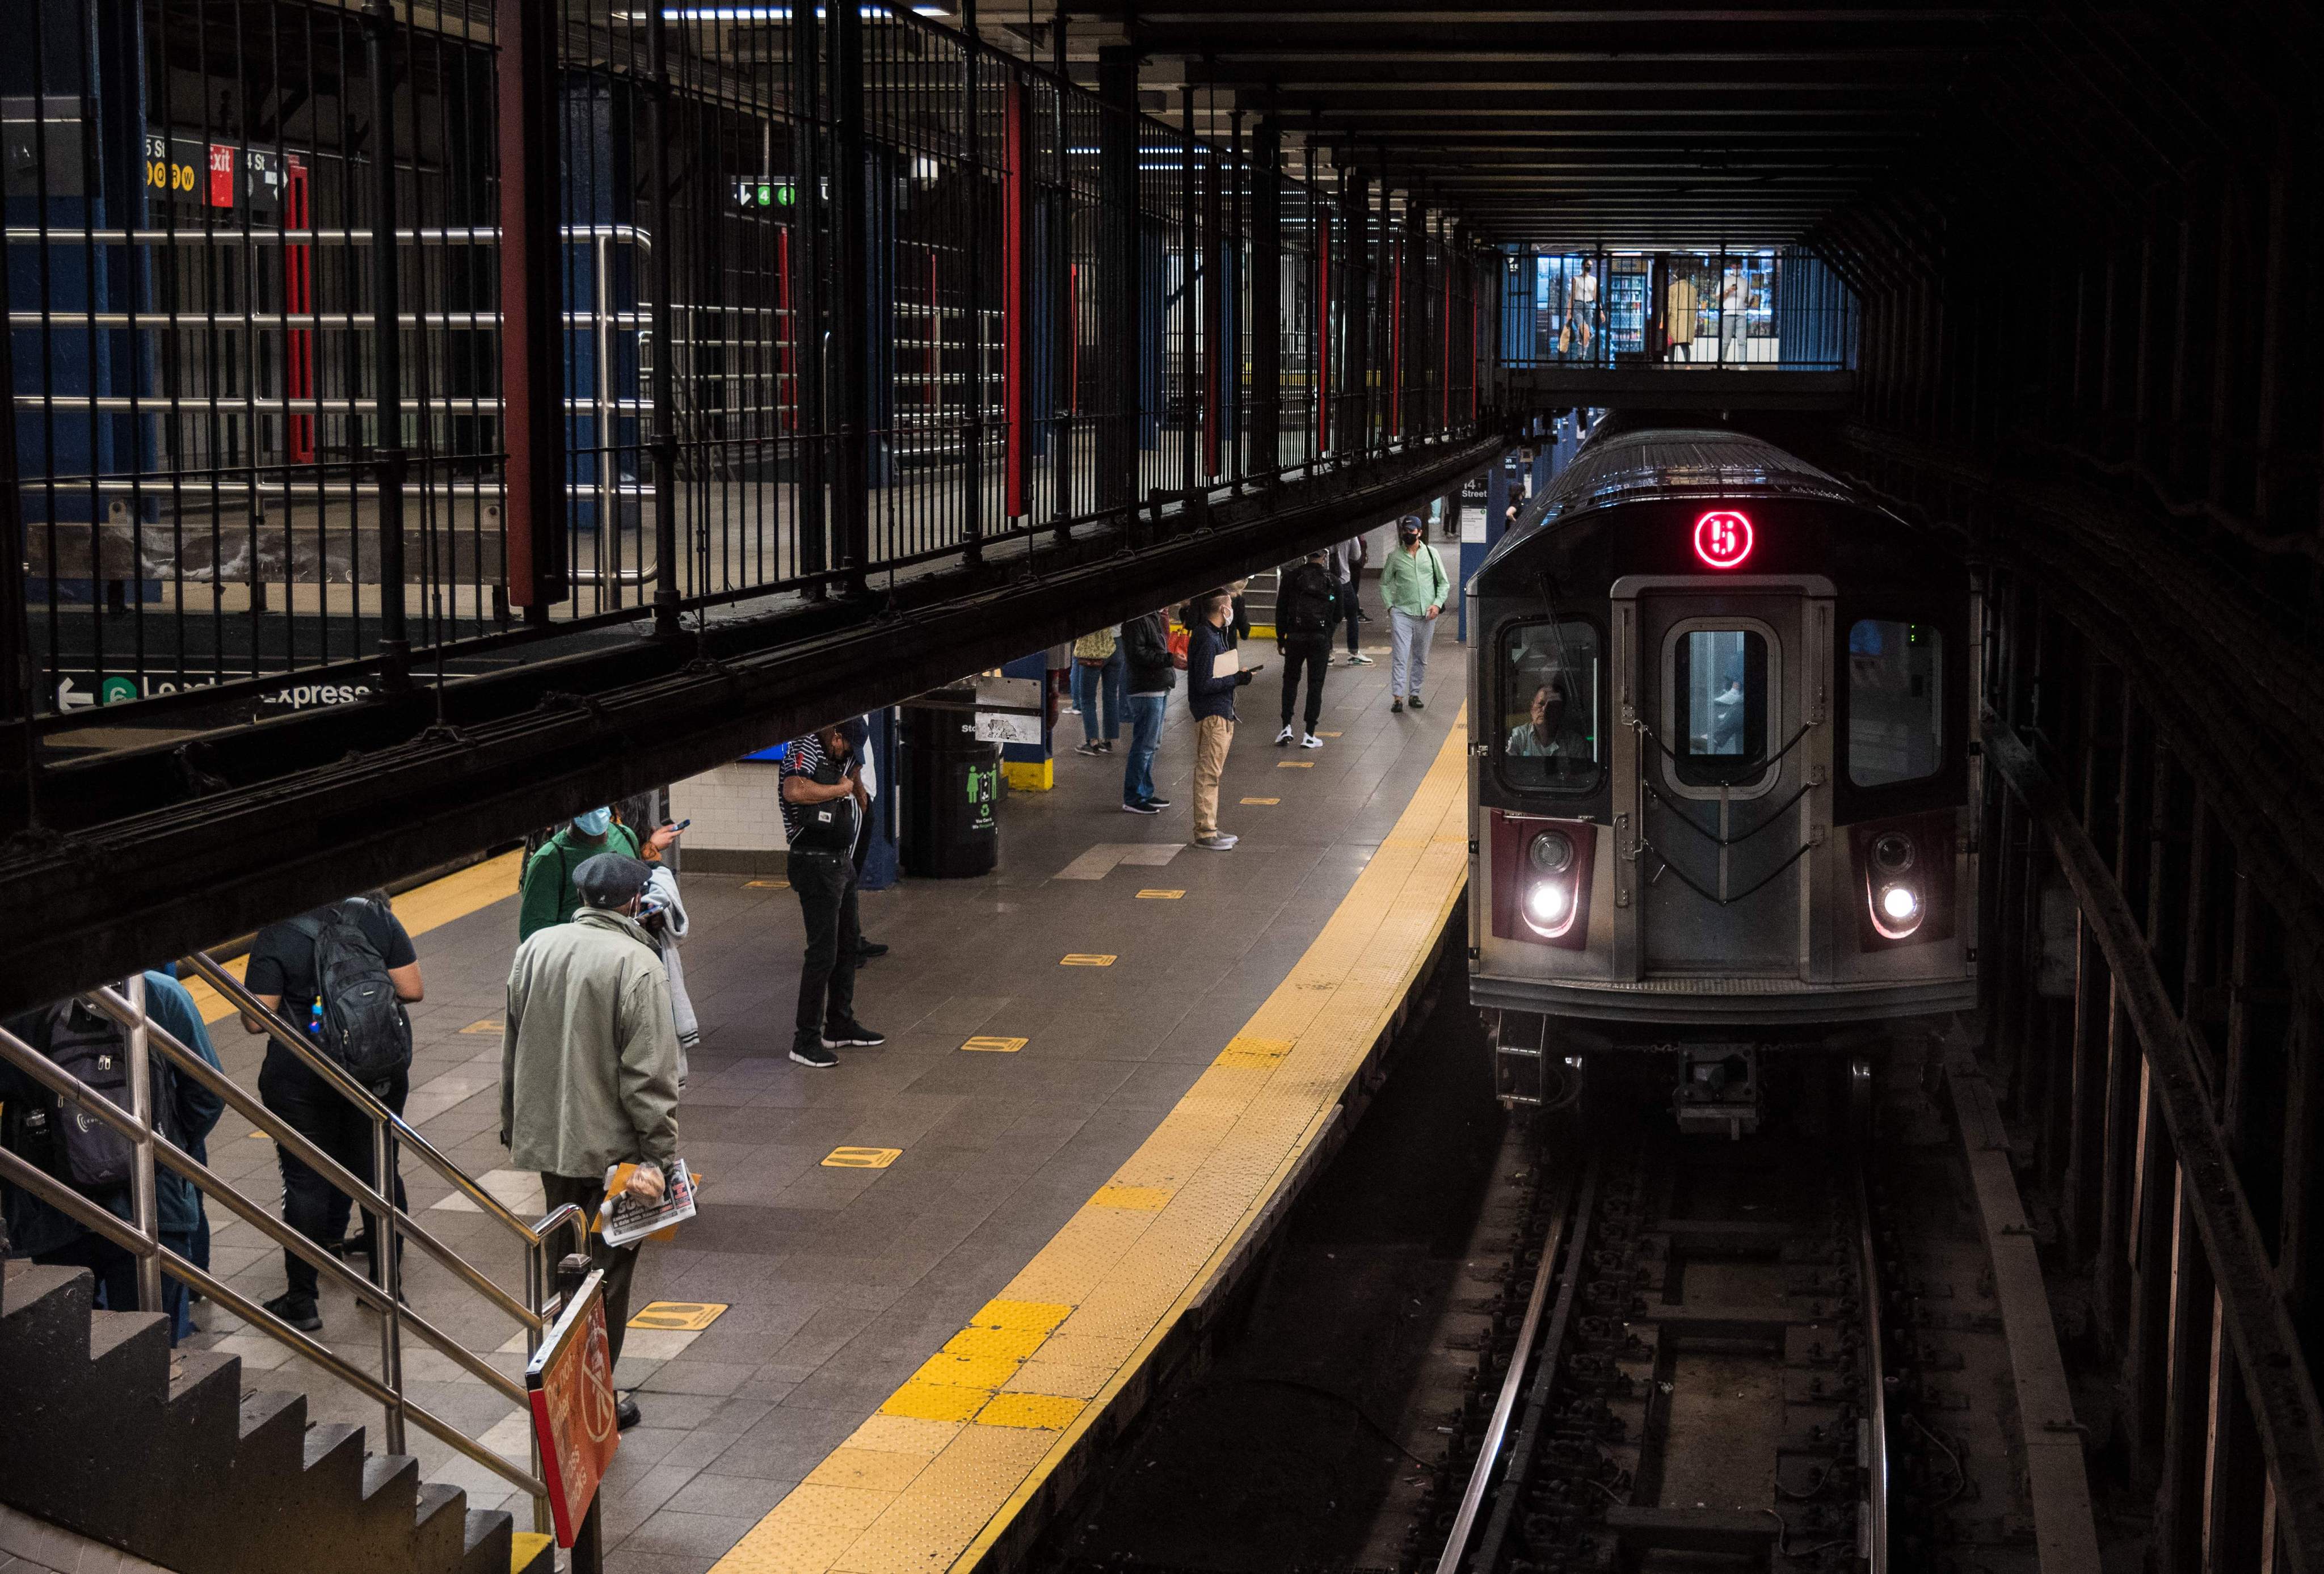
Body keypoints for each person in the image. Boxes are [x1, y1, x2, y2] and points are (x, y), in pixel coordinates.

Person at [500, 853, 680, 1433]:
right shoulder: (638, 963)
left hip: (551, 1140)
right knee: (608, 1274)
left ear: (581, 896)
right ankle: (594, 1393)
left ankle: (561, 1382)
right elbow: (649, 1077)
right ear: (634, 901)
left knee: (564, 1265)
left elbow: (513, 1041)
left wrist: (513, 1121)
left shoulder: (536, 948)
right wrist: (660, 1158)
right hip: (615, 1155)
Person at [0, 972, 224, 1341]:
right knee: (150, 1346)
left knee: (69, 1346)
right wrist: (161, 1147)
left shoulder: (26, 1002)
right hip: (153, 1207)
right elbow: (209, 1095)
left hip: (57, 1208)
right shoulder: (163, 995)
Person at [242, 891, 422, 1332]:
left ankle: (302, 1300)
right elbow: (411, 989)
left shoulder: (277, 931)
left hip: (304, 1076)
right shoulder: (373, 915)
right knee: (379, 1172)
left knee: (306, 1180)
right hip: (375, 1069)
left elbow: (256, 1019)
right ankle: (386, 1287)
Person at [780, 725, 887, 1068]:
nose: (849, 759)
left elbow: (853, 772)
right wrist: (841, 789)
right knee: (822, 953)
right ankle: (805, 1040)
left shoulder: (840, 753)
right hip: (814, 863)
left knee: (848, 945)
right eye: (848, 748)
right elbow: (794, 790)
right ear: (836, 736)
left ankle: (840, 1024)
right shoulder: (805, 747)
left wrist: (859, 791)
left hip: (841, 861)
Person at [519, 808, 679, 943]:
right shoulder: (549, 860)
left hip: (625, 952)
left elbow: (637, 895)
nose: (595, 809)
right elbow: (534, 938)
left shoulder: (626, 837)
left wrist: (652, 918)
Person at [1186, 589, 1258, 852]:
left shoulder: (1215, 634)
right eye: (1231, 605)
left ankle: (1211, 826)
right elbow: (1205, 683)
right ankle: (1205, 832)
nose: (1233, 611)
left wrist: (1236, 676)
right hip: (1212, 714)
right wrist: (1236, 679)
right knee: (1208, 773)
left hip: (1221, 711)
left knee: (1213, 773)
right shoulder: (1206, 637)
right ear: (1222, 609)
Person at [1381, 515, 1449, 713]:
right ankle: (1398, 697)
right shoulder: (1395, 557)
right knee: (1400, 656)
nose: (1407, 534)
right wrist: (1390, 607)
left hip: (1427, 615)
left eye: (1411, 531)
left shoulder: (1431, 554)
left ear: (1420, 532)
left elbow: (1444, 583)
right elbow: (1384, 583)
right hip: (1402, 613)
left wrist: (1437, 605)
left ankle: (1415, 694)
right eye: (1405, 531)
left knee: (1421, 657)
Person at [839, 714, 890, 968]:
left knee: (851, 879)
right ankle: (845, 946)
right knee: (845, 878)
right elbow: (849, 754)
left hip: (863, 797)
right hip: (854, 800)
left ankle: (852, 938)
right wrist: (859, 792)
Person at [1275, 548, 1338, 748]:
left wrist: (1281, 638)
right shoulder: (1333, 580)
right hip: (1320, 639)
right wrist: (1328, 634)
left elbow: (1281, 610)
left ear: (1305, 555)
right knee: (1315, 684)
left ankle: (1286, 727)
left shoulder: (1291, 578)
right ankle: (1309, 734)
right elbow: (1339, 614)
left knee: (1290, 680)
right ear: (1325, 556)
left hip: (1295, 636)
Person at [1120, 608, 1177, 815]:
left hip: (1158, 686)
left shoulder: (1151, 616)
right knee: (1144, 745)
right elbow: (1138, 655)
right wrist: (1169, 660)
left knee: (1152, 744)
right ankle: (1134, 797)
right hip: (1146, 689)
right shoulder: (1136, 620)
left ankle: (1145, 791)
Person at [1071, 626, 1125, 757]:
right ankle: (1108, 741)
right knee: (1111, 695)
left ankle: (1092, 742)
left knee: (1087, 698)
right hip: (1117, 645)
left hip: (1095, 645)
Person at [1335, 536, 1372, 664]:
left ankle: (1328, 653)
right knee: (1352, 615)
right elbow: (1356, 555)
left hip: (1325, 581)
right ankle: (1354, 653)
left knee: (1329, 616)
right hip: (1344, 581)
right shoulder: (1348, 533)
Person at [1720, 266, 1749, 361]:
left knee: (1742, 342)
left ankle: (1743, 364)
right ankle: (1722, 362)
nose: (1737, 269)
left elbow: (1749, 299)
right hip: (1727, 313)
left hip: (1741, 314)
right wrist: (1729, 290)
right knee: (1725, 342)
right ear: (1731, 267)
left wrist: (1750, 301)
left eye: (1739, 267)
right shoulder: (1725, 280)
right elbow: (1719, 297)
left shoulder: (1745, 282)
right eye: (1735, 267)